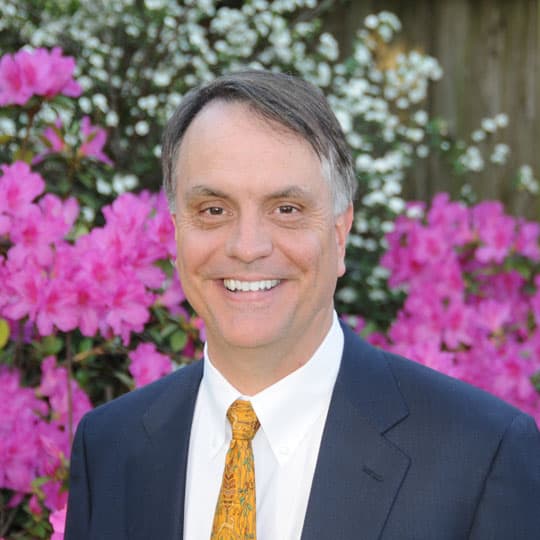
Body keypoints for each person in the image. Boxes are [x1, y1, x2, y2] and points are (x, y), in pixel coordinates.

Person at [65, 70, 540, 540]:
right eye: (213, 210)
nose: (247, 247)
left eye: (286, 210)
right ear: (175, 233)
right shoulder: (108, 447)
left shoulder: (481, 456)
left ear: (340, 233)